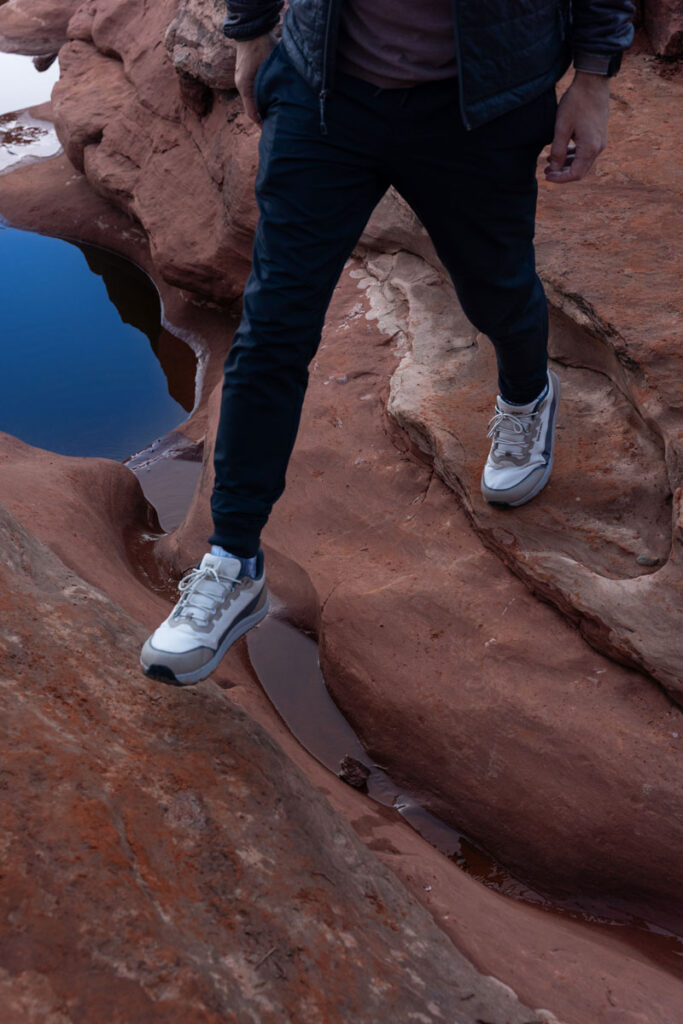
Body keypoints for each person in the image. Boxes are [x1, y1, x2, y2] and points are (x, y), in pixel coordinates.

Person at [141, 0, 634, 685]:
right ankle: (233, 561)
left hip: (483, 105)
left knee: (494, 288)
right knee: (272, 330)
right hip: (325, 93)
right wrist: (252, 32)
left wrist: (592, 78)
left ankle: (526, 394)